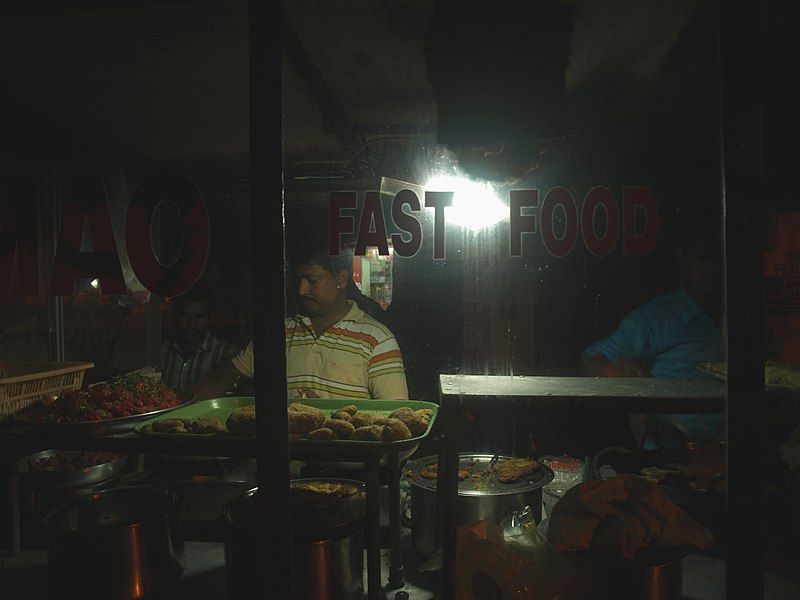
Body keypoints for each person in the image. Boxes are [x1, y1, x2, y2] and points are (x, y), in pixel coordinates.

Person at [195, 244, 409, 401]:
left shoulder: (377, 339)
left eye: (312, 280)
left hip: (346, 462)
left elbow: (395, 421)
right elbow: (228, 374)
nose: (301, 290)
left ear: (341, 280)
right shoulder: (279, 333)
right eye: (298, 281)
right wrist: (191, 403)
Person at [580, 234, 724, 449]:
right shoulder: (655, 317)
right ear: (684, 261)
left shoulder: (740, 313)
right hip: (675, 450)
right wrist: (617, 372)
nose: (714, 268)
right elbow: (592, 358)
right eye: (703, 258)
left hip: (736, 447)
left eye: (720, 259)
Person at [160, 286, 240, 397]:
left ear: (210, 317)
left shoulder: (228, 355)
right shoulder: (162, 352)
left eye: (200, 316)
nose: (192, 324)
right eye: (184, 315)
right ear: (174, 316)